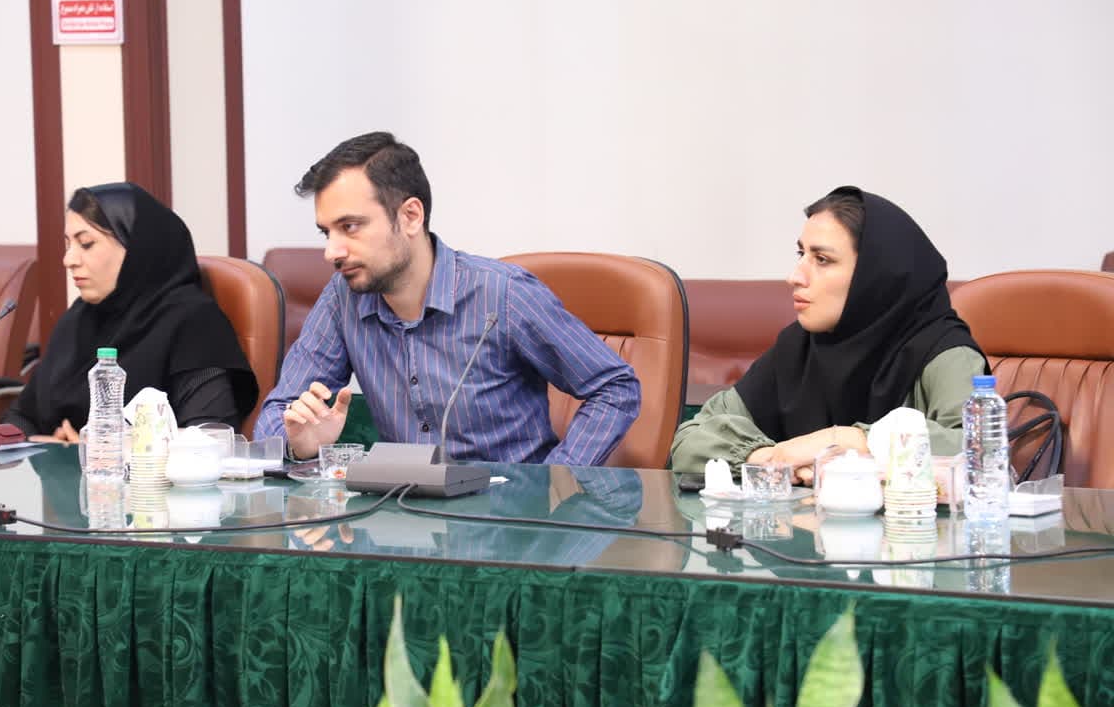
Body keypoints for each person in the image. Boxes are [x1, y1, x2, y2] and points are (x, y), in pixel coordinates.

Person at [254, 132, 640, 465]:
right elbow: (276, 415)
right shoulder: (343, 298)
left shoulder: (503, 294)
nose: (331, 252)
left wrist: (554, 481)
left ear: (410, 216)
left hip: (508, 517)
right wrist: (296, 443)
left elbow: (615, 387)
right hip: (404, 515)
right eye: (327, 233)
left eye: (350, 227)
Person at [671, 186, 986, 483]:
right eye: (801, 254)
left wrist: (848, 440)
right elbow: (691, 437)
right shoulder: (798, 347)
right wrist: (769, 459)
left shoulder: (944, 352)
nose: (795, 276)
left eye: (822, 260)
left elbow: (979, 452)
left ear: (875, 274)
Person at [5, 182, 259, 441]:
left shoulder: (194, 322)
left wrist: (107, 446)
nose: (68, 260)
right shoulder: (78, 318)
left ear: (137, 247)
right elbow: (21, 416)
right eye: (68, 244)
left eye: (86, 244)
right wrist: (40, 443)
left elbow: (211, 438)